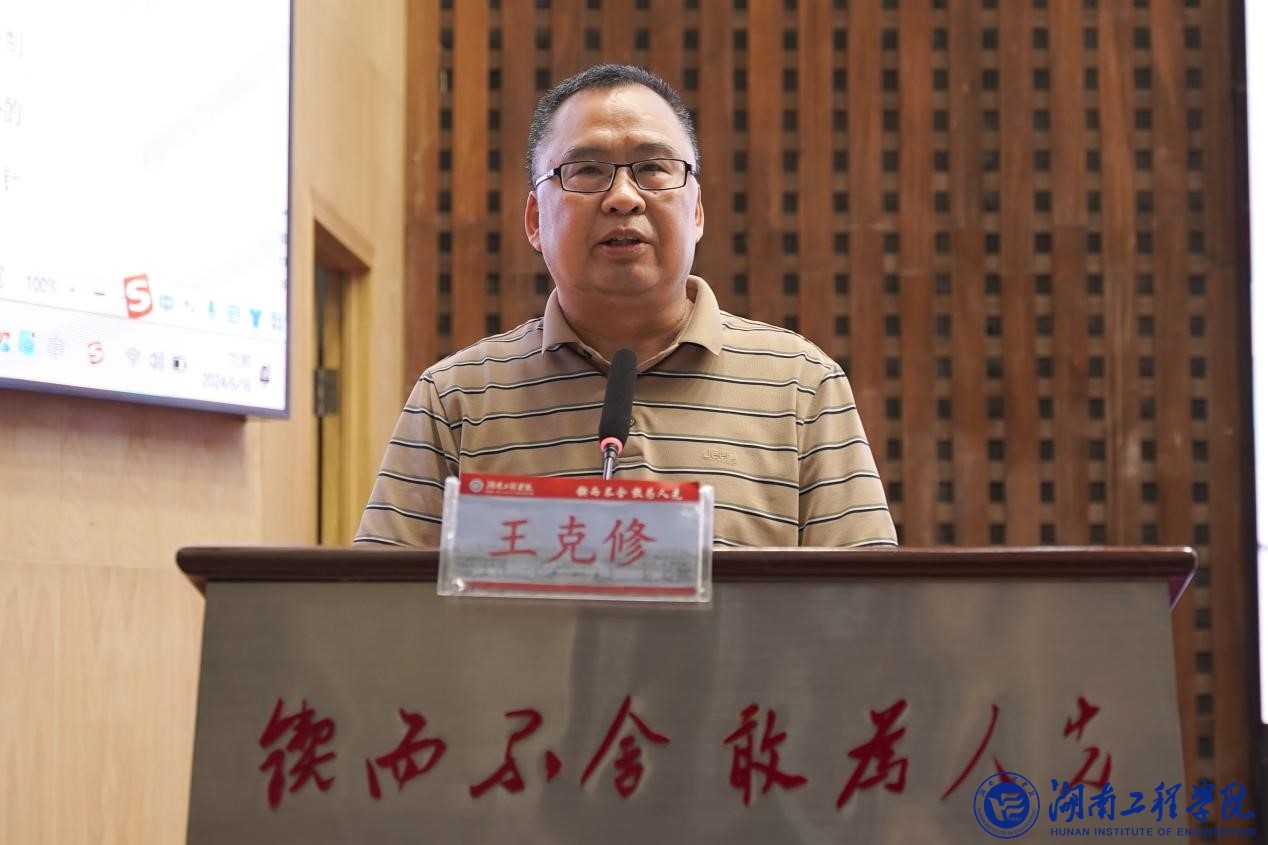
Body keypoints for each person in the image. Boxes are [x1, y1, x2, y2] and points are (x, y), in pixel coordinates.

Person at [355, 64, 896, 549]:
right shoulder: (455, 398)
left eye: (653, 168)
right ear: (535, 221)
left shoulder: (801, 385)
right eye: (587, 171)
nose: (623, 197)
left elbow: (865, 608)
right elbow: (381, 607)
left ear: (697, 212)